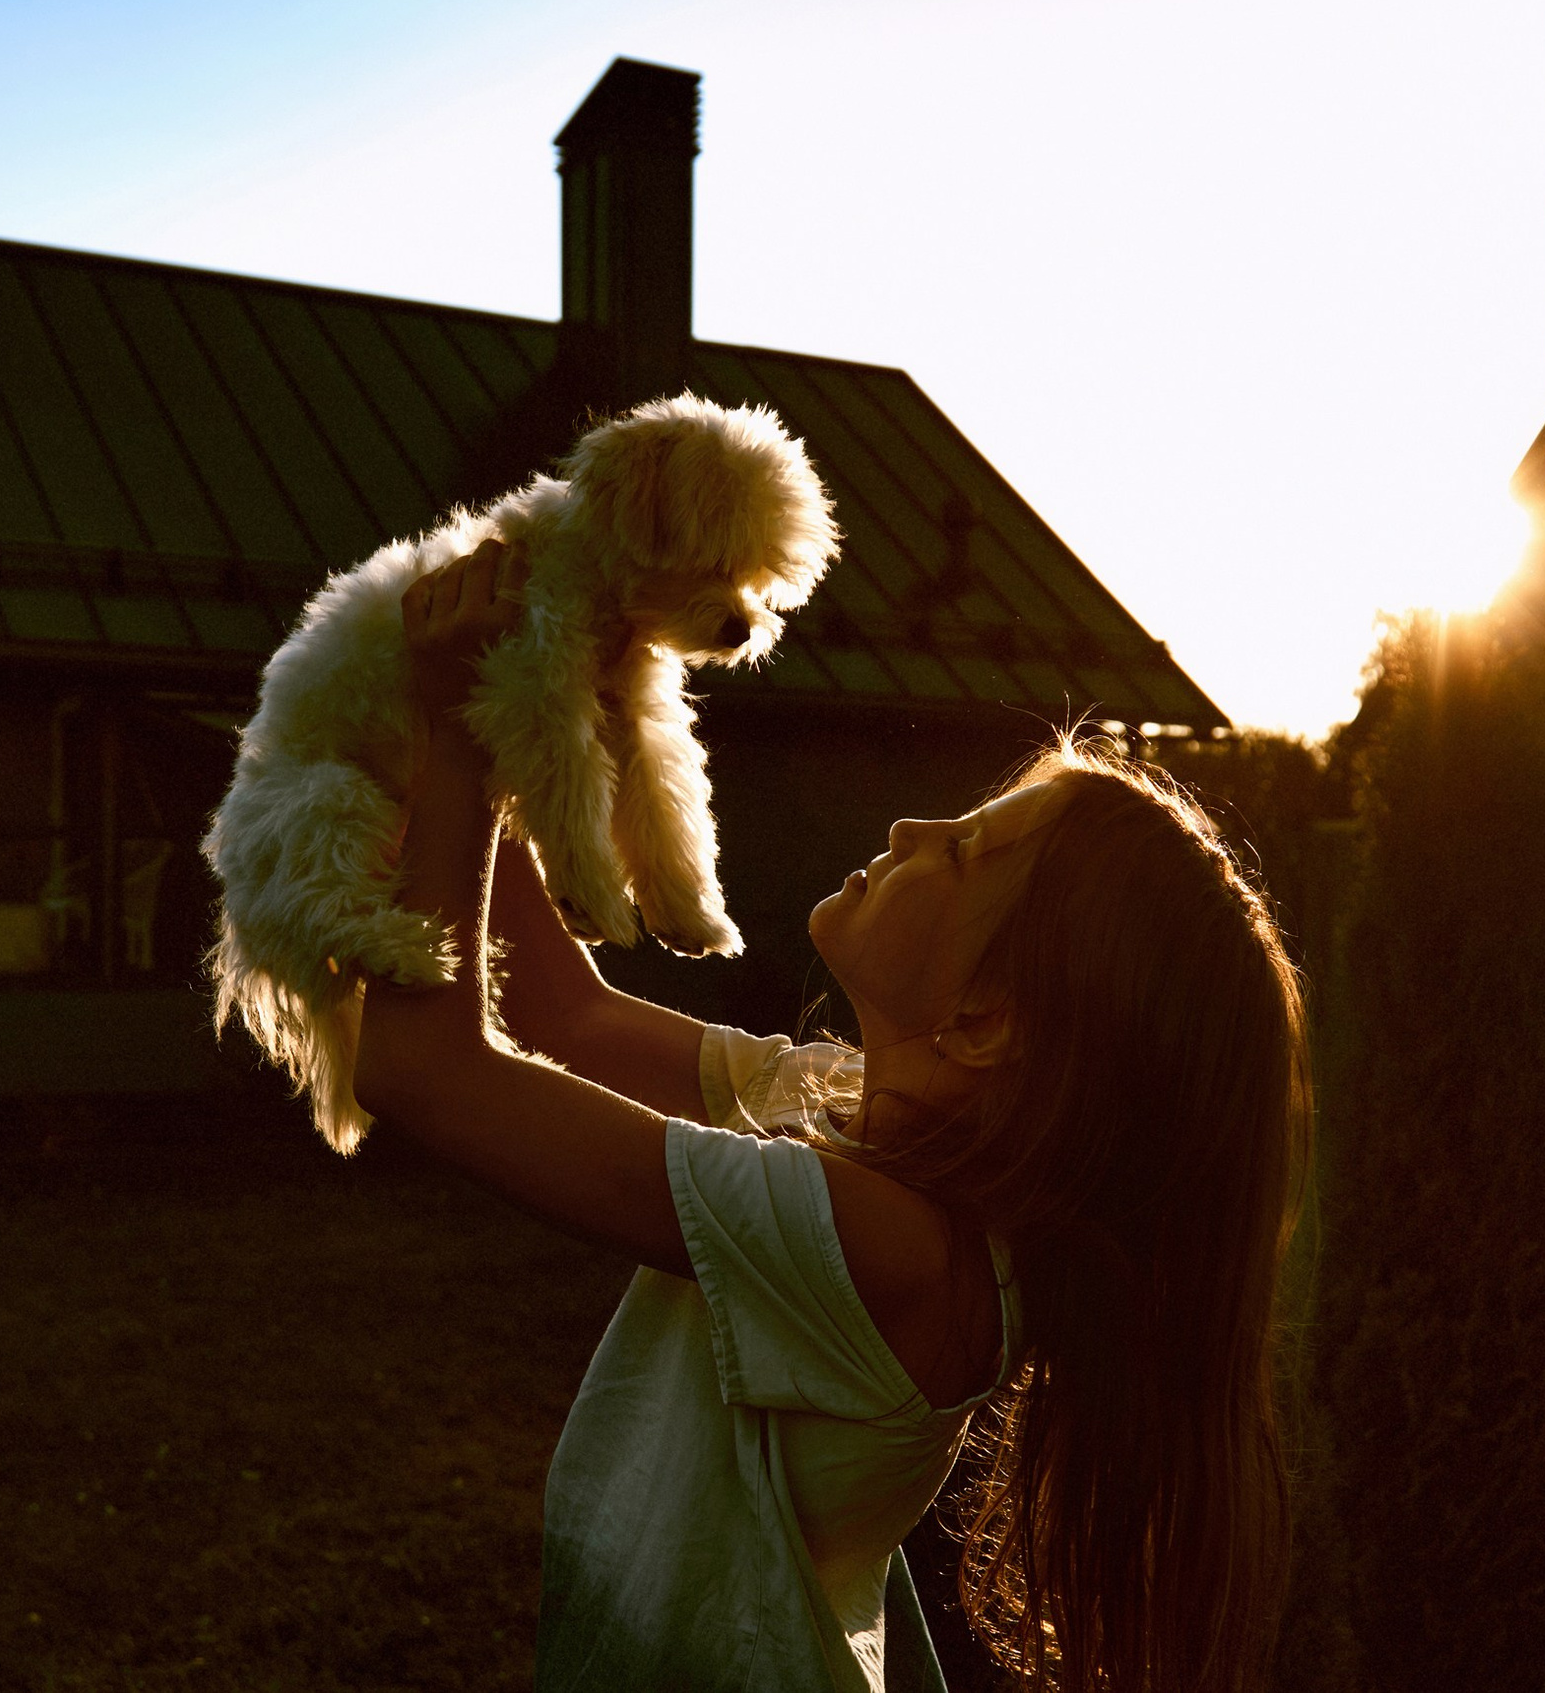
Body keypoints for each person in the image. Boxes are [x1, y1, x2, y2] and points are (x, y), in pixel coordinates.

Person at [352, 540, 1310, 1693]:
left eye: (958, 852)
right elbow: (569, 1015)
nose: (910, 831)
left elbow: (422, 1070)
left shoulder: (878, 1240)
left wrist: (452, 745)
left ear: (983, 1022)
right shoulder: (846, 1112)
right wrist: (472, 731)